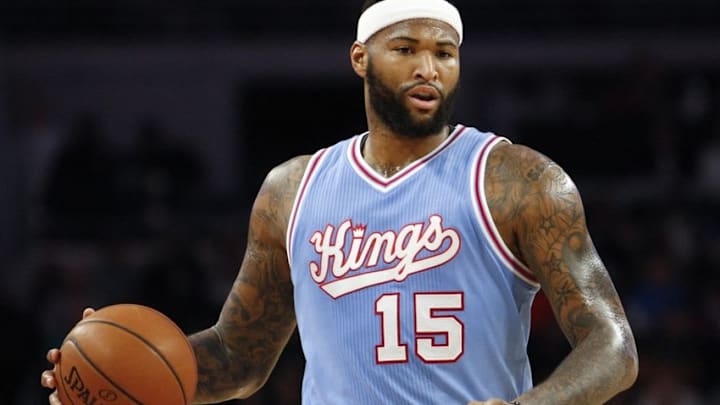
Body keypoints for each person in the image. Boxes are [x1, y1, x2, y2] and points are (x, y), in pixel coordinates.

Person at [41, 0, 639, 403]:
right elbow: (240, 354)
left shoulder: (518, 179)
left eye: (444, 52)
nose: (428, 67)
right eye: (405, 49)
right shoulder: (291, 190)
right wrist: (117, 368)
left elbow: (612, 345)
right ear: (361, 58)